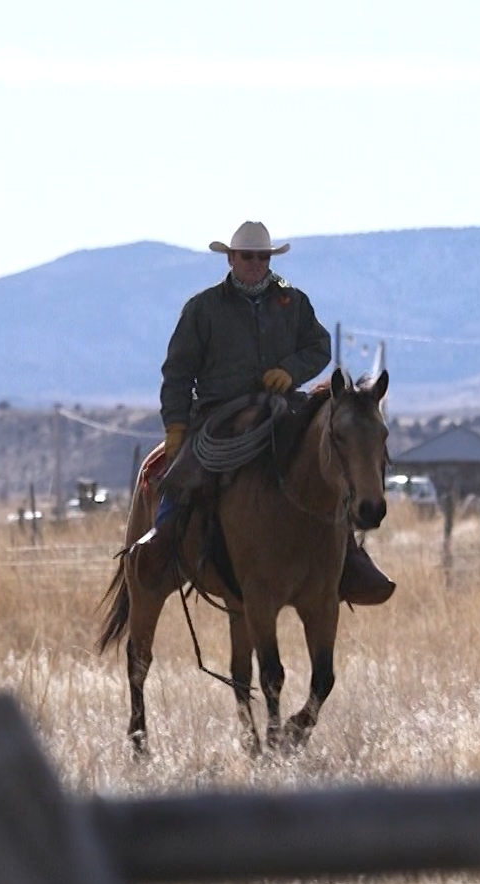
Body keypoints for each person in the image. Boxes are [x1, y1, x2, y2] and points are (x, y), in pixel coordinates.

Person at [136, 221, 394, 604]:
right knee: (184, 472)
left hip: (283, 408)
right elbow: (177, 372)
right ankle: (164, 539)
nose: (255, 263)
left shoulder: (293, 302)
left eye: (262, 256)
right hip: (217, 413)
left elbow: (319, 346)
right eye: (247, 256)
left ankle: (348, 555)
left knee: (326, 463)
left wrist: (290, 370)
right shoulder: (203, 308)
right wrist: (176, 426)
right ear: (230, 258)